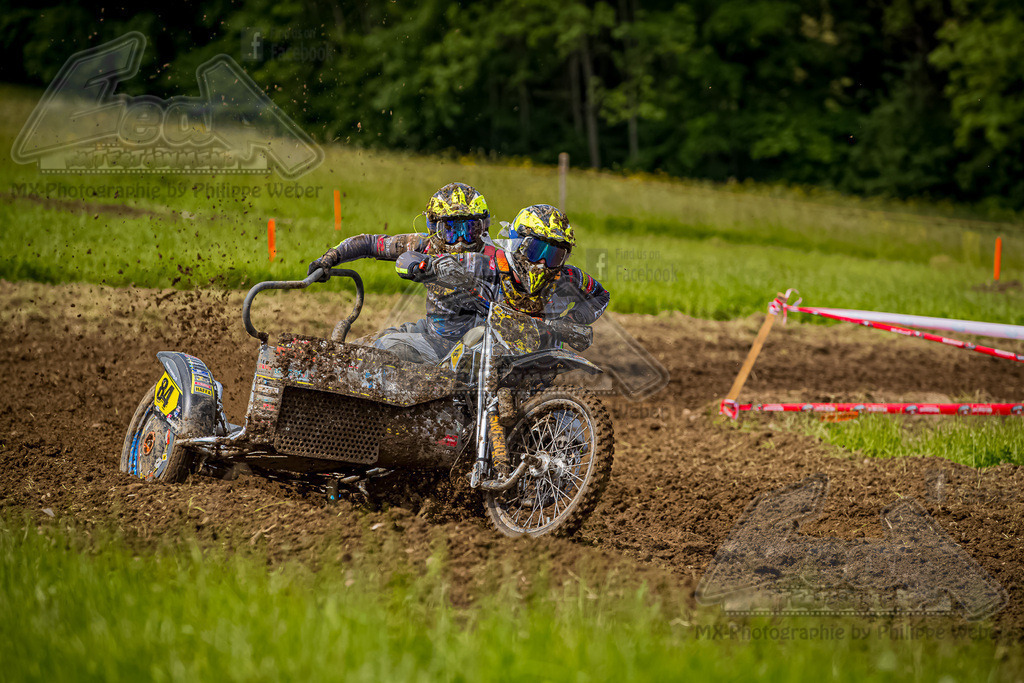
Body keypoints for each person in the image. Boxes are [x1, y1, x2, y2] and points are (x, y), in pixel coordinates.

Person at [307, 182, 495, 363]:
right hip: (433, 332)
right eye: (451, 231)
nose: (460, 240)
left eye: (469, 230)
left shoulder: (497, 258)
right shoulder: (426, 246)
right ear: (434, 229)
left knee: (388, 347)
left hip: (475, 345)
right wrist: (330, 258)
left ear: (483, 228)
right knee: (358, 350)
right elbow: (370, 243)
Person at [398, 204, 609, 346]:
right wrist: (422, 267)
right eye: (536, 251)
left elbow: (601, 295)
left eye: (554, 255)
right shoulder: (485, 264)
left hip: (541, 360)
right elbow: (408, 258)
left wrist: (573, 320)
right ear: (518, 244)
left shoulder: (567, 278)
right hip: (484, 354)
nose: (543, 263)